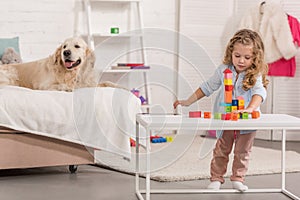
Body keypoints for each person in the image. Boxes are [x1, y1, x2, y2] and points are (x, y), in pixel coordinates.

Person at [173, 29, 269, 191]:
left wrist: (249, 109)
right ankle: (216, 178)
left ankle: (238, 178)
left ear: (255, 58)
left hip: (247, 120)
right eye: (237, 56)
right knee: (221, 150)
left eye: (247, 57)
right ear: (231, 53)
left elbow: (259, 92)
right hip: (226, 119)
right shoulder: (224, 70)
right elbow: (207, 87)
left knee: (242, 152)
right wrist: (187, 102)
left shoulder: (255, 74)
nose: (241, 61)